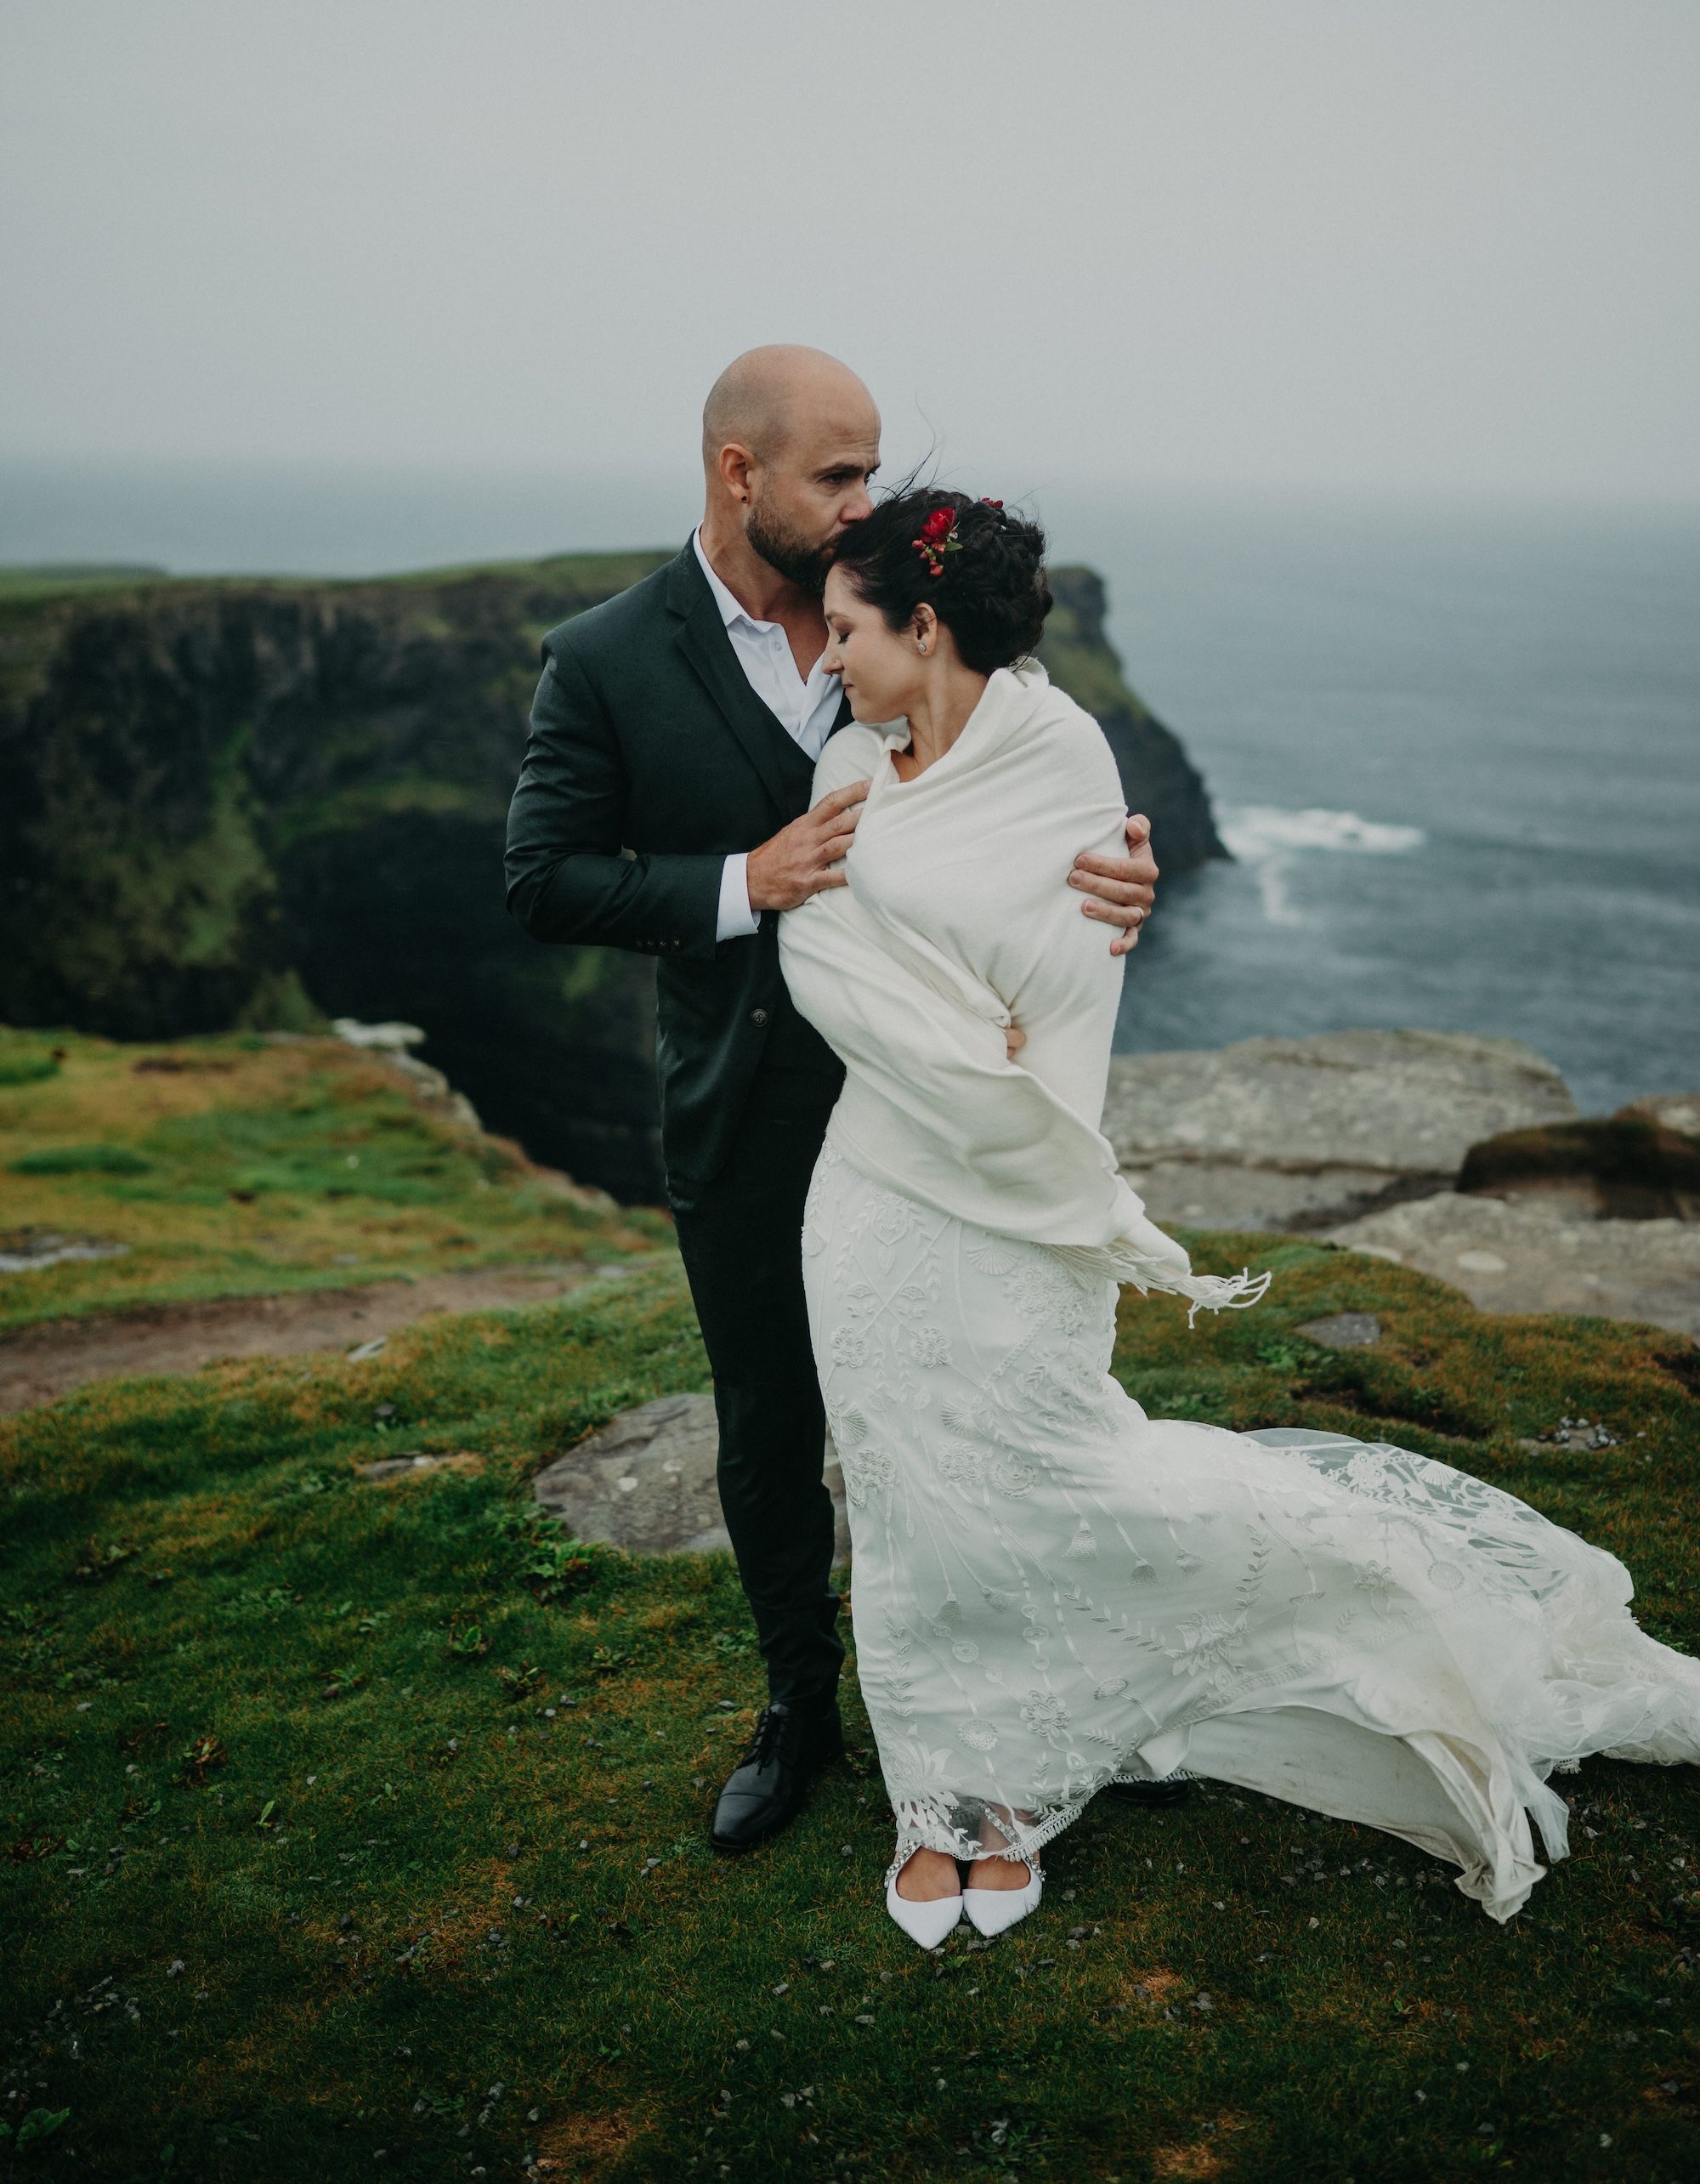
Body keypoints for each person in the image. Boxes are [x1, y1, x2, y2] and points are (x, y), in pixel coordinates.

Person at [778, 483, 1700, 1949]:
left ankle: (1107, 1743)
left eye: (843, 629)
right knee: (904, 1499)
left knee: (1044, 1476)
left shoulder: (1067, 759)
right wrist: (915, 1005)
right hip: (873, 1202)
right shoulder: (846, 761)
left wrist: (943, 1024)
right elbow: (816, 948)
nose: (826, 659)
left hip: (1013, 1202)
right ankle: (950, 1796)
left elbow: (1059, 1010)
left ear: (928, 625)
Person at [504, 346, 1159, 1856]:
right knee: (772, 1413)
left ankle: (1055, 1696)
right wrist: (747, 881)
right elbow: (544, 877)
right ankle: (801, 1702)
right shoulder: (601, 657)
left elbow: (1031, 803)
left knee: (989, 1394)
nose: (865, 501)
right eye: (836, 475)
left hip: (931, 1105)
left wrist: (1123, 871)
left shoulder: (906, 606)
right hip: (746, 1106)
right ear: (741, 475)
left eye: (870, 472)